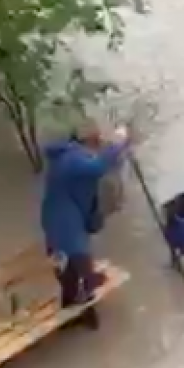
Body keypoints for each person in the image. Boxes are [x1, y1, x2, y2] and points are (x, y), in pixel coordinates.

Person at [40, 124, 130, 330]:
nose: (97, 147)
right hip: (63, 225)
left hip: (65, 221)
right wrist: (117, 144)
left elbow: (98, 173)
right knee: (81, 270)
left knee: (71, 275)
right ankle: (79, 308)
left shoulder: (72, 156)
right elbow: (98, 167)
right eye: (96, 141)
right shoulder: (72, 160)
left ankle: (76, 312)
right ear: (87, 141)